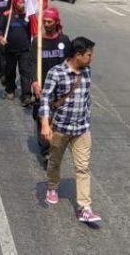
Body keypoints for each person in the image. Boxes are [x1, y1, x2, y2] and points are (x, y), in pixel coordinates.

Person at [39, 37, 101, 223]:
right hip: (60, 128)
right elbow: (45, 99)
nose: (91, 58)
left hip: (82, 129)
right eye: (89, 55)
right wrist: (44, 124)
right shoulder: (56, 73)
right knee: (55, 162)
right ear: (77, 55)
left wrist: (86, 116)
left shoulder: (87, 71)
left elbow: (86, 97)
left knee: (83, 167)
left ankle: (85, 207)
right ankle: (52, 186)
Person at [31, 7, 71, 168]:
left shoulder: (65, 41)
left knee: (59, 122)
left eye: (50, 22)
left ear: (56, 22)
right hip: (44, 89)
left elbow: (71, 63)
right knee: (44, 120)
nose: (47, 24)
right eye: (44, 22)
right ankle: (46, 152)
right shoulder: (37, 41)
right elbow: (32, 63)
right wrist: (34, 82)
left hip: (61, 90)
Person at [0, 0, 34, 105]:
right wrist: (1, 38)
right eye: (20, 3)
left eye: (23, 2)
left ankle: (26, 96)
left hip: (25, 49)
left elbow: (34, 30)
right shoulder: (6, 15)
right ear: (14, 4)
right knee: (10, 71)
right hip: (10, 49)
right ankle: (10, 89)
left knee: (25, 72)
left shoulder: (28, 16)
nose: (22, 5)